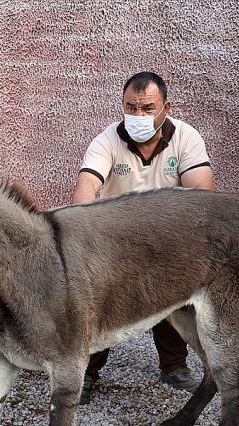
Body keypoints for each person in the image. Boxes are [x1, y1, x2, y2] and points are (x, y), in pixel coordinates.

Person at [72, 71, 215, 404]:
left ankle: (175, 366)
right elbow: (84, 192)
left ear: (167, 107)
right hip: (115, 238)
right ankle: (87, 372)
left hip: (168, 238)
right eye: (130, 108)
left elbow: (203, 193)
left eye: (147, 108)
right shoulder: (106, 141)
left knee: (171, 291)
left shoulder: (186, 138)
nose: (138, 116)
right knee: (98, 302)